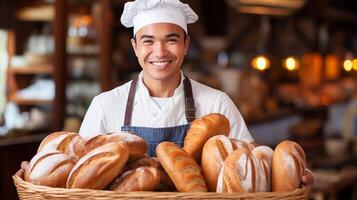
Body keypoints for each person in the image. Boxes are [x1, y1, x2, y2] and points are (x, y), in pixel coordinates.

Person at [19, 0, 314, 194]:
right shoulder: (106, 105)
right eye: (148, 41)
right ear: (135, 47)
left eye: (171, 40)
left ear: (186, 44)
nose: (159, 52)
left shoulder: (217, 103)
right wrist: (37, 174)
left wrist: (293, 180)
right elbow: (77, 179)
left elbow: (254, 173)